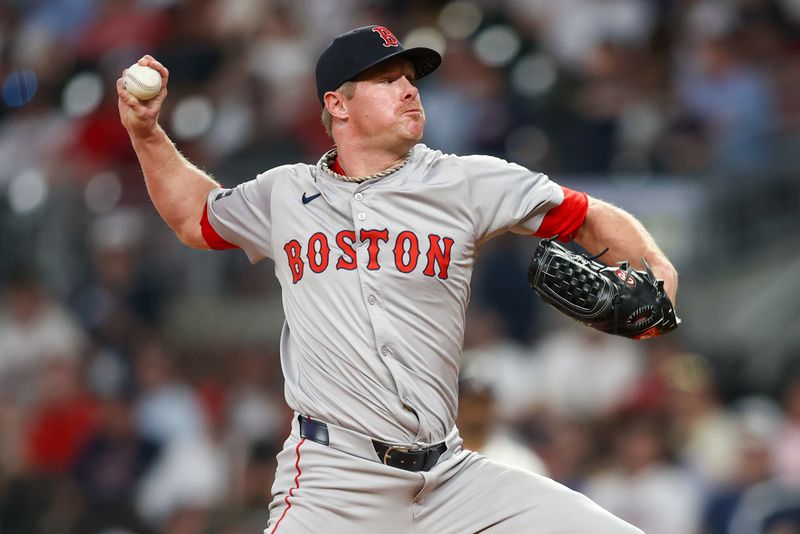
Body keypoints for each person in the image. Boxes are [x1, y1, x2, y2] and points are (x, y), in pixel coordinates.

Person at [117, 24, 677, 534]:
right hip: (334, 482)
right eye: (387, 80)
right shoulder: (284, 193)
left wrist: (658, 270)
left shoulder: (464, 181)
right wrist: (146, 135)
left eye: (411, 79)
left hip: (452, 478)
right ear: (336, 104)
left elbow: (587, 216)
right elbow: (195, 216)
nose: (409, 90)